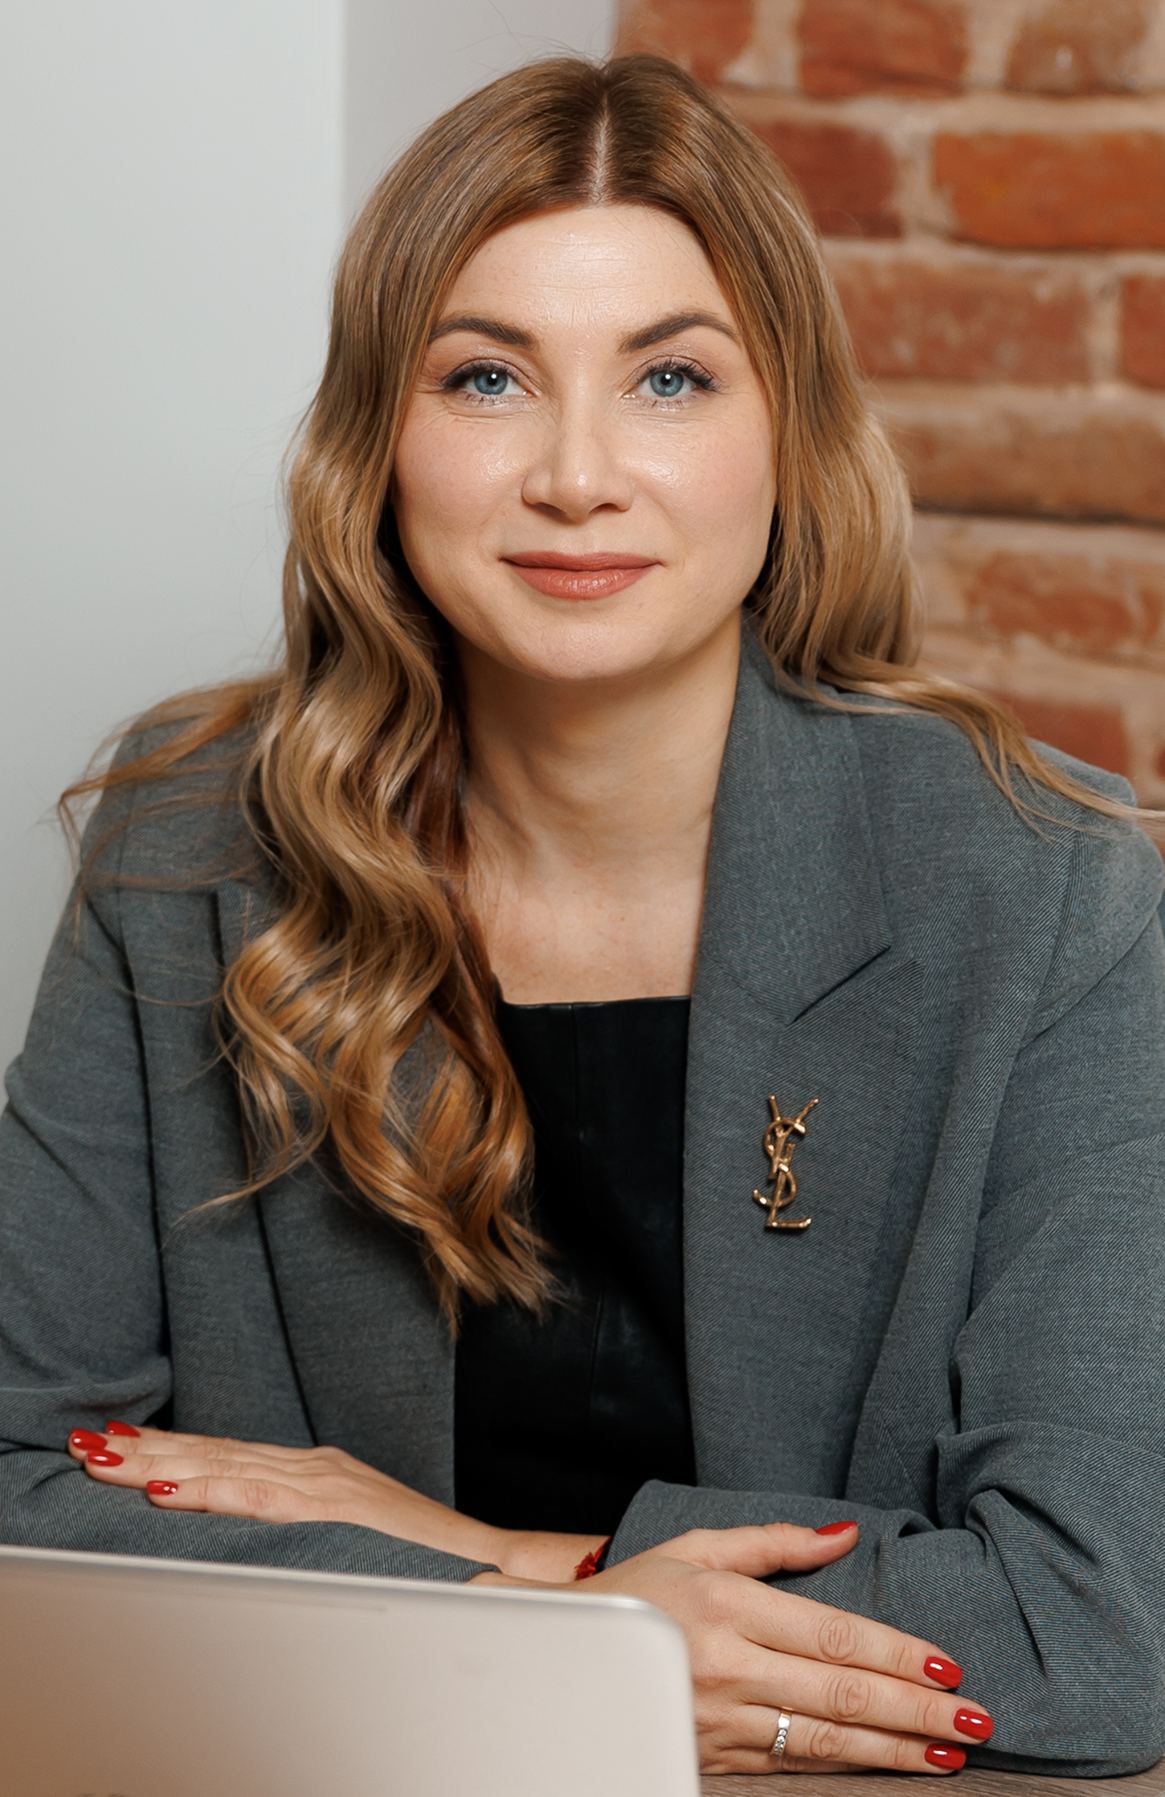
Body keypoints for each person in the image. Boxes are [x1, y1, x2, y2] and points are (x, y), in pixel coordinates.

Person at [2, 54, 1163, 1781]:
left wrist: (475, 1560)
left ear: (789, 435)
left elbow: (1096, 1626)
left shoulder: (1045, 884)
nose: (576, 474)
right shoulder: (187, 855)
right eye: (486, 376)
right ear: (379, 441)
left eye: (671, 378)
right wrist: (554, 1606)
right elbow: (16, 1488)